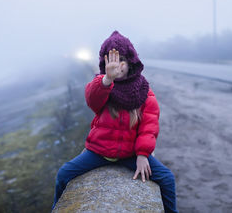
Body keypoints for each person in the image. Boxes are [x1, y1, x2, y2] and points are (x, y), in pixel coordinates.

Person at [52, 31, 178, 213]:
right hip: (98, 151)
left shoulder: (143, 92)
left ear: (131, 63)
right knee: (63, 174)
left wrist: (143, 154)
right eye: (110, 61)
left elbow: (149, 127)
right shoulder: (101, 84)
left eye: (120, 61)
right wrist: (107, 79)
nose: (116, 66)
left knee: (167, 178)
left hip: (130, 154)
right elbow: (91, 99)